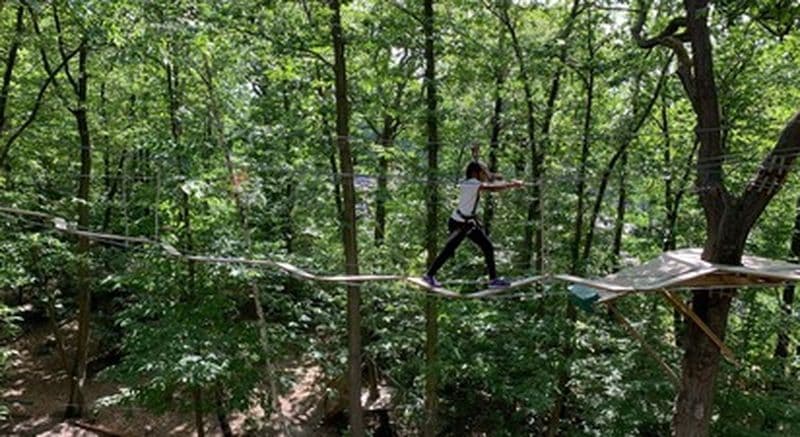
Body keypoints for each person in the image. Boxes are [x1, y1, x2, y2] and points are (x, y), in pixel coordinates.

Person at [422, 161, 523, 289]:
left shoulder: (468, 182)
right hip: (460, 224)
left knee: (487, 247)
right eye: (481, 173)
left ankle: (493, 280)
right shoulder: (473, 184)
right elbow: (492, 188)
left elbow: (490, 177)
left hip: (466, 223)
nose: (484, 175)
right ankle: (429, 275)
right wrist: (513, 185)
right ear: (476, 173)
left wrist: (495, 175)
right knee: (448, 250)